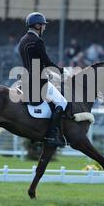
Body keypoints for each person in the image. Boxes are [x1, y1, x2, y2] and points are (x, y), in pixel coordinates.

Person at [18, 12, 67, 147]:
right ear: (37, 25)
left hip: (26, 79)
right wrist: (63, 72)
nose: (44, 27)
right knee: (62, 102)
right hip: (38, 82)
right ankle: (52, 135)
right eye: (43, 25)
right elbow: (47, 62)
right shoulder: (37, 41)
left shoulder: (23, 40)